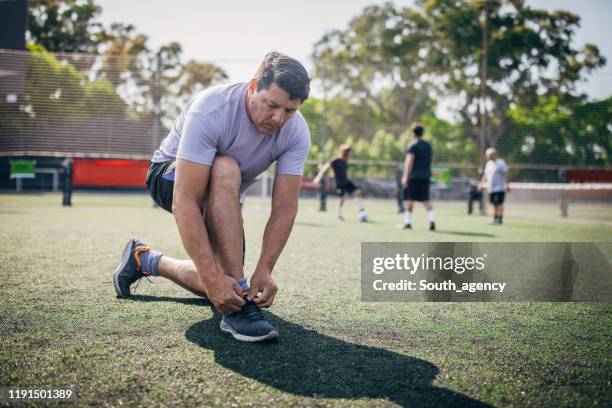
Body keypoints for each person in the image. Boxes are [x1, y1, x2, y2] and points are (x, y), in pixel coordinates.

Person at [112, 52, 311, 342]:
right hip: (169, 177)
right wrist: (214, 277)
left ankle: (145, 260)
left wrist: (264, 269)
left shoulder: (296, 131)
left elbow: (284, 208)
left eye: (290, 111)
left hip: (223, 193)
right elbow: (185, 201)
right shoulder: (212, 108)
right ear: (254, 87)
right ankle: (239, 315)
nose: (279, 118)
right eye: (272, 105)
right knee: (226, 166)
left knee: (225, 285)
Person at [313, 144, 368, 222]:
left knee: (358, 193)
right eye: (346, 151)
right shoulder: (335, 160)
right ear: (342, 151)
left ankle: (362, 211)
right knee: (341, 199)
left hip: (346, 182)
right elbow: (324, 168)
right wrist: (318, 177)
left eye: (349, 151)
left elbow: (344, 172)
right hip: (339, 183)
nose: (348, 153)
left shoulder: (345, 161)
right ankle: (338, 215)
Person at [401, 122, 436, 231]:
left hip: (414, 177)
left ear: (413, 133)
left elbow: (409, 161)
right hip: (425, 176)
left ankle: (408, 223)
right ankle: (432, 221)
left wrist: (405, 176)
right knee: (426, 199)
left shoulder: (412, 145)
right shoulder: (428, 145)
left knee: (409, 199)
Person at [479, 148, 510, 224]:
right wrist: (481, 184)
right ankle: (495, 218)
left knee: (499, 203)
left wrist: (507, 185)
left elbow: (505, 174)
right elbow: (485, 175)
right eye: (488, 155)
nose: (489, 156)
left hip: (500, 188)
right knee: (494, 204)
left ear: (494, 154)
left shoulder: (501, 162)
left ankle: (499, 219)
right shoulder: (489, 164)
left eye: (490, 155)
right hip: (491, 188)